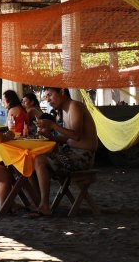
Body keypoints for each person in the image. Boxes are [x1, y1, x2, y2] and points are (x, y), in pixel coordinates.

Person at [32, 87, 98, 217]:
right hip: (71, 153)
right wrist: (50, 136)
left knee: (40, 160)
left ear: (62, 92)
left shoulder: (75, 106)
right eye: (46, 97)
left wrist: (52, 125)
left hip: (83, 157)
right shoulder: (65, 110)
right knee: (31, 160)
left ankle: (44, 206)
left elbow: (76, 136)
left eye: (50, 95)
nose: (48, 100)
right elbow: (69, 138)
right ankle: (38, 204)